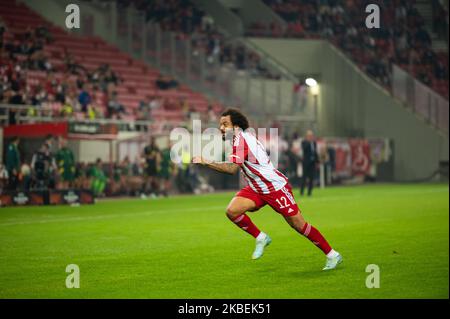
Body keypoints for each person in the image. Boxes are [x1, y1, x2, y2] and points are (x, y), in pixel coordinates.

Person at [192, 108, 342, 270]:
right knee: (232, 211)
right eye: (220, 124)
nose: (221, 128)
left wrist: (205, 161)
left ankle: (332, 255)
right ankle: (261, 237)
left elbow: (231, 169)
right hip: (257, 187)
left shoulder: (241, 141)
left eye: (225, 124)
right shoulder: (242, 138)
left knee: (298, 224)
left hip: (274, 187)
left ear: (236, 127)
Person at [300, 130, 319, 197]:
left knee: (311, 178)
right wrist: (309, 142)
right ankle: (301, 192)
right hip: (306, 162)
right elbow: (304, 149)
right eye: (309, 136)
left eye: (312, 136)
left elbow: (315, 152)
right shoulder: (304, 142)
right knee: (304, 178)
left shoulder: (314, 143)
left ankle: (309, 192)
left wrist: (317, 161)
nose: (311, 137)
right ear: (307, 136)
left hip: (312, 163)